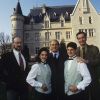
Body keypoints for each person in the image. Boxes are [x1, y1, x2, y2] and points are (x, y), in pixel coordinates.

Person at [76, 31, 100, 100]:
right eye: (79, 38)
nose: (81, 40)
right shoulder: (76, 51)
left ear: (86, 38)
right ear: (77, 40)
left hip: (93, 78)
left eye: (83, 37)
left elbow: (98, 61)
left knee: (95, 96)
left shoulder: (94, 48)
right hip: (81, 80)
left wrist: (87, 61)